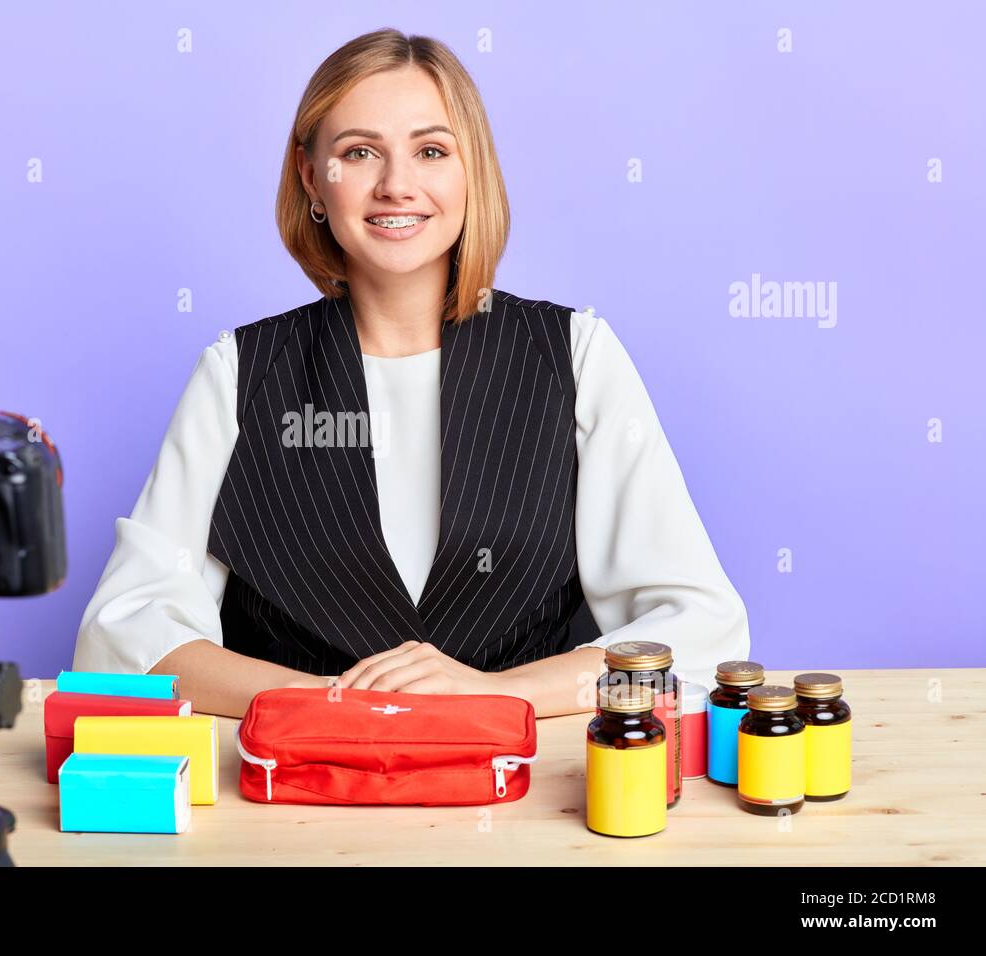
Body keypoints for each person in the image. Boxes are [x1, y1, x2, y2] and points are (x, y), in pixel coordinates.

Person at [73, 28, 750, 718]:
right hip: (297, 793)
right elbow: (122, 639)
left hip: (527, 798)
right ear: (313, 178)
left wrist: (491, 695)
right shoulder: (237, 373)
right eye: (359, 153)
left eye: (431, 151)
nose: (397, 186)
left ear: (471, 172)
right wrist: (339, 702)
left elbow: (698, 637)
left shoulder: (576, 355)